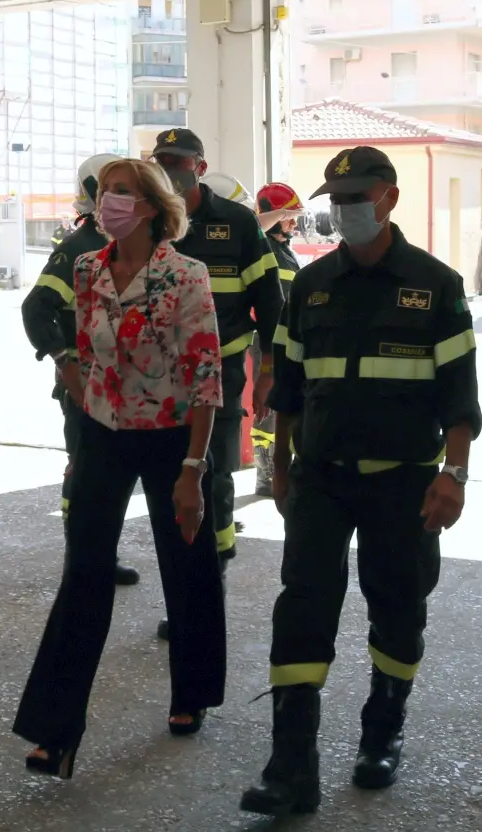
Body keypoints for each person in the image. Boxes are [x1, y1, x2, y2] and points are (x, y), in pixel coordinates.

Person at [242, 145, 479, 817]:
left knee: (398, 607)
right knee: (303, 608)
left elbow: (460, 394)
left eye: (357, 198)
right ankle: (291, 764)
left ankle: (383, 730)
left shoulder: (435, 284)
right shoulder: (311, 288)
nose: (345, 211)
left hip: (405, 483)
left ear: (389, 198)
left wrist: (452, 474)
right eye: (337, 200)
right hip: (320, 477)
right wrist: (282, 467)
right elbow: (286, 388)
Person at [13, 157, 225, 777]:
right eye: (105, 192)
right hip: (104, 436)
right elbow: (83, 348)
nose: (109, 203)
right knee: (84, 573)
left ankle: (191, 693)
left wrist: (193, 468)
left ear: (153, 208)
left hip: (171, 439)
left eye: (122, 193)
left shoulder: (186, 275)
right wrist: (78, 387)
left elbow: (206, 375)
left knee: (186, 564)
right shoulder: (86, 269)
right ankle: (57, 730)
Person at [151, 128, 283, 640]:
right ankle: (183, 591)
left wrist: (269, 368)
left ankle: (212, 581)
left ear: (199, 167)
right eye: (161, 160)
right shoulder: (153, 219)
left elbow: (270, 300)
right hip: (160, 379)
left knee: (215, 478)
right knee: (170, 482)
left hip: (224, 374)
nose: (169, 168)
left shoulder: (237, 222)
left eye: (178, 160)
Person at [22, 153, 138, 587]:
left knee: (113, 476)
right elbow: (37, 308)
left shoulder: (128, 245)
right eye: (115, 190)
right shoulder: (77, 249)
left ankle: (100, 554)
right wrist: (64, 362)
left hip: (130, 388)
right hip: (88, 387)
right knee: (86, 470)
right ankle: (82, 557)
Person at [252, 182, 306, 494]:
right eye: (289, 216)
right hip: (267, 341)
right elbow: (255, 225)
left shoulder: (286, 252)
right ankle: (265, 472)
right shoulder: (261, 244)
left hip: (289, 340)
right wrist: (278, 213)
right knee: (267, 409)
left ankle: (280, 465)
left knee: (285, 404)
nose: (294, 223)